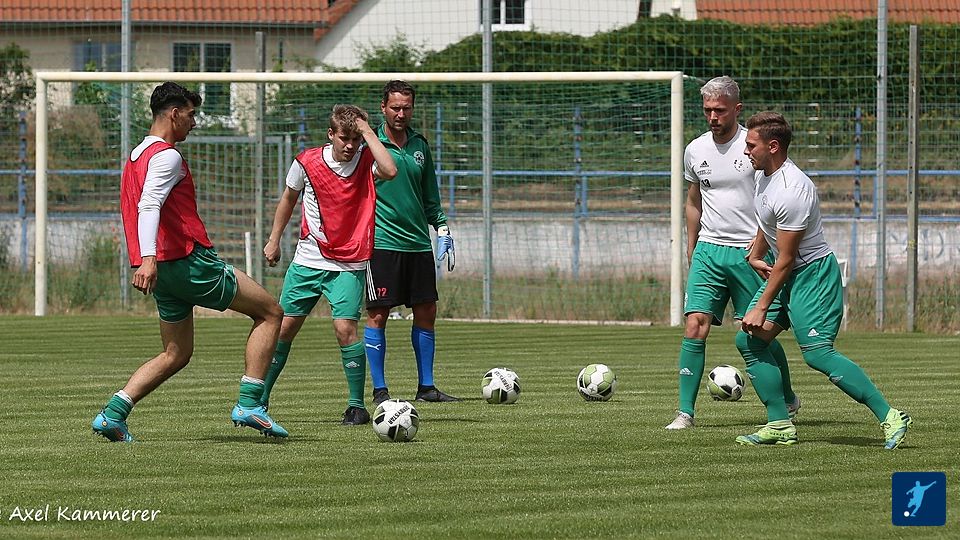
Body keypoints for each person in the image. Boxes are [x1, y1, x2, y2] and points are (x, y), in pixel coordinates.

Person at [92, 82, 287, 442]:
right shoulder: (166, 156)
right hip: (186, 262)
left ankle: (113, 415)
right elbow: (149, 205)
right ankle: (250, 403)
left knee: (176, 352)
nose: (194, 123)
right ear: (174, 113)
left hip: (163, 272)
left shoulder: (136, 154)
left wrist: (147, 261)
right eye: (192, 114)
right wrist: (148, 259)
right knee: (271, 313)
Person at [735, 111, 911, 448]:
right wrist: (756, 252)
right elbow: (767, 220)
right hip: (788, 273)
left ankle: (890, 415)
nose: (746, 151)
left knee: (817, 354)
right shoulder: (763, 176)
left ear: (773, 146)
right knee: (750, 340)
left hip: (812, 276)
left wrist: (761, 306)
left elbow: (787, 259)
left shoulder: (793, 189)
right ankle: (780, 423)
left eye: (751, 145)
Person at [666, 76, 798, 430]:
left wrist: (762, 245)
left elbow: (773, 199)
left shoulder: (754, 147)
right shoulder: (695, 150)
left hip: (749, 252)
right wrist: (692, 245)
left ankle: (787, 397)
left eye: (720, 110)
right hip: (709, 250)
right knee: (694, 325)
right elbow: (694, 200)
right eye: (707, 110)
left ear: (737, 109)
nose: (713, 117)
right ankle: (685, 413)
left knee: (757, 331)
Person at [260, 105, 397, 425]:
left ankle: (356, 406)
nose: (350, 145)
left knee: (345, 329)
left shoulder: (367, 160)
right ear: (331, 134)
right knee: (283, 329)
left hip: (349, 262)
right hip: (308, 260)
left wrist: (367, 131)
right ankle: (260, 399)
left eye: (355, 139)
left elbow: (390, 170)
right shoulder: (306, 162)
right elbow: (288, 199)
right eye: (344, 138)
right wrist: (274, 239)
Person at [364, 80, 459, 404]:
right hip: (381, 243)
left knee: (427, 310)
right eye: (395, 108)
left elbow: (430, 196)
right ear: (383, 108)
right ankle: (380, 390)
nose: (401, 114)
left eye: (406, 108)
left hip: (418, 244)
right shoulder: (369, 145)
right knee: (378, 313)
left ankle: (427, 387)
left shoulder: (420, 145)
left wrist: (442, 229)